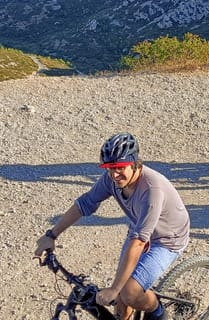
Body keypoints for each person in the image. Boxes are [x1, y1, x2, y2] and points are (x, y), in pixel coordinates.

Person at [34, 132, 190, 320]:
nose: (114, 175)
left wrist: (116, 289)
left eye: (119, 168)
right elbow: (85, 203)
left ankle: (158, 312)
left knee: (129, 292)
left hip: (167, 239)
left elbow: (139, 242)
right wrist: (51, 235)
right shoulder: (111, 179)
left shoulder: (152, 190)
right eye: (109, 168)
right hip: (140, 229)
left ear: (134, 163)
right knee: (122, 304)